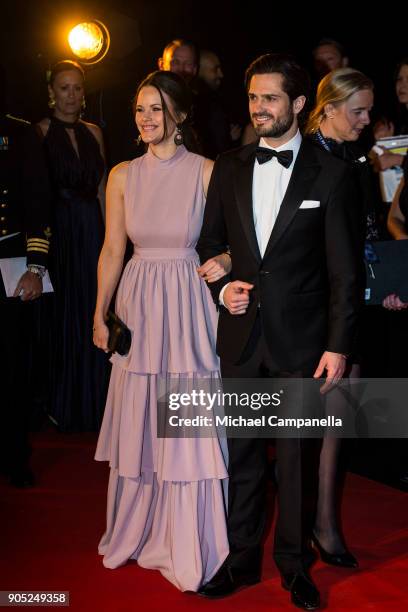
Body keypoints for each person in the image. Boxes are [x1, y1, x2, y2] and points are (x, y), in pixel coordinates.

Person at [197, 53, 361, 610]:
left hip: (304, 343)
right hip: (242, 337)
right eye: (252, 98)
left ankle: (294, 566)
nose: (258, 108)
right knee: (242, 454)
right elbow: (209, 243)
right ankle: (241, 561)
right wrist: (225, 287)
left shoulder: (333, 174)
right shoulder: (229, 164)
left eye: (270, 98)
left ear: (296, 104)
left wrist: (338, 344)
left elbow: (345, 271)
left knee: (294, 460)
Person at [93, 70, 231, 592]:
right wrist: (99, 312)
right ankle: (137, 529)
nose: (146, 119)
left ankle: (188, 539)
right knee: (139, 418)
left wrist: (224, 260)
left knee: (185, 415)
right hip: (138, 303)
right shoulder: (123, 175)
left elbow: (231, 242)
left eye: (156, 109)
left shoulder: (206, 172)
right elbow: (112, 250)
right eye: (140, 110)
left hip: (187, 302)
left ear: (179, 114)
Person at [305, 67, 377, 568]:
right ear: (328, 107)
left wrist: (385, 283)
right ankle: (307, 525)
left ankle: (324, 523)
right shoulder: (300, 158)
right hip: (310, 305)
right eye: (358, 111)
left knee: (339, 416)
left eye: (369, 110)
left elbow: (367, 234)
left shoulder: (356, 158)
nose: (367, 120)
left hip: (351, 302)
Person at [36, 60, 109, 431]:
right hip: (60, 233)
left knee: (93, 309)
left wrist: (112, 237)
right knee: (63, 313)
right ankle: (61, 403)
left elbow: (101, 190)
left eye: (77, 88)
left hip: (93, 230)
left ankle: (96, 403)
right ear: (51, 92)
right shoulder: (40, 132)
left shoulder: (94, 132)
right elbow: (36, 193)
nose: (71, 95)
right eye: (64, 88)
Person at [0, 65, 52, 486]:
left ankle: (14, 455)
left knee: (12, 368)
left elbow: (39, 202)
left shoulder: (18, 133)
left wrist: (36, 267)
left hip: (9, 265)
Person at [194, 49, 241, 159]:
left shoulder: (214, 100)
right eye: (215, 69)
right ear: (198, 70)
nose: (221, 74)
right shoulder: (198, 104)